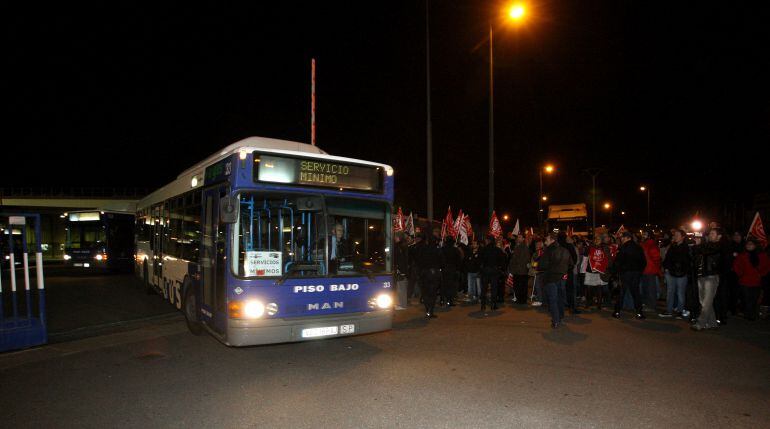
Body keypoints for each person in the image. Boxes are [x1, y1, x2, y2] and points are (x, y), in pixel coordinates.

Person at [691, 228, 723, 330]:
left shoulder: (719, 245)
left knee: (707, 302)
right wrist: (697, 244)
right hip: (701, 275)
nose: (710, 235)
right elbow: (695, 254)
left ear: (719, 236)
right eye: (709, 234)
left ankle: (700, 324)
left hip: (711, 276)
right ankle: (713, 323)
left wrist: (699, 244)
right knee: (704, 301)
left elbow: (707, 251)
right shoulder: (705, 245)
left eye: (713, 234)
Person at [612, 231, 647, 319]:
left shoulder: (624, 247)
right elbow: (643, 261)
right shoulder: (638, 247)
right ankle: (639, 313)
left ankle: (617, 312)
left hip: (625, 273)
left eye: (623, 238)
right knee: (635, 292)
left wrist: (615, 271)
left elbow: (618, 261)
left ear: (628, 238)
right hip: (636, 273)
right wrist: (639, 271)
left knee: (622, 292)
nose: (621, 239)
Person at [733, 239, 770, 321]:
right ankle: (748, 314)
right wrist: (741, 274)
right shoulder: (742, 255)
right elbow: (736, 266)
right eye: (747, 244)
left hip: (756, 281)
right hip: (744, 281)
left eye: (751, 244)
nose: (749, 246)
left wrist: (761, 274)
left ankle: (751, 313)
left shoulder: (761, 255)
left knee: (754, 298)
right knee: (746, 298)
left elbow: (767, 266)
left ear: (755, 245)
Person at [539, 233, 571, 328]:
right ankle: (560, 316)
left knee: (553, 299)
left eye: (546, 240)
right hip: (561, 278)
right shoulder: (564, 250)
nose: (545, 242)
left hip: (551, 278)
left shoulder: (548, 251)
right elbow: (571, 263)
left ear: (552, 240)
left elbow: (542, 265)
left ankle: (556, 320)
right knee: (560, 298)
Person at [660, 229, 690, 319]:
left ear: (683, 237)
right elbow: (667, 258)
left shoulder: (686, 247)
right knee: (670, 292)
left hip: (681, 273)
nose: (675, 237)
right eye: (675, 235)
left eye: (677, 235)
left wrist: (683, 270)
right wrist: (666, 267)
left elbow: (685, 261)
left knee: (680, 293)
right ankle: (669, 310)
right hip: (670, 272)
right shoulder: (672, 246)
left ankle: (680, 311)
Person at [415, 232, 442, 319]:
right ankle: (431, 310)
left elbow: (418, 260)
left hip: (424, 273)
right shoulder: (437, 250)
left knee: (426, 292)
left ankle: (427, 309)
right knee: (433, 293)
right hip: (433, 273)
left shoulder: (423, 249)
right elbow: (441, 261)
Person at [479, 235, 506, 311]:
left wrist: (481, 269)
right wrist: (501, 269)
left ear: (488, 241)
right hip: (494, 271)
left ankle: (483, 305)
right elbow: (502, 261)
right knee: (494, 288)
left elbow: (480, 261)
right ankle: (493, 304)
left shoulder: (483, 250)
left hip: (485, 271)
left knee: (484, 288)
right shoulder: (497, 250)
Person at [585, 236, 610, 311]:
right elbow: (586, 256)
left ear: (601, 240)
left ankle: (599, 304)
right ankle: (588, 302)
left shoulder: (604, 247)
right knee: (589, 288)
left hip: (599, 270)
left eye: (598, 239)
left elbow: (607, 258)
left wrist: (606, 267)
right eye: (595, 239)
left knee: (599, 288)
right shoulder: (590, 247)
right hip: (590, 269)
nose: (597, 240)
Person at [640, 229, 661, 312]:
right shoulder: (644, 243)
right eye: (643, 234)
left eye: (645, 234)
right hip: (645, 269)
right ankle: (647, 303)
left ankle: (651, 305)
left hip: (650, 269)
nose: (643, 235)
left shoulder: (651, 244)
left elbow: (656, 257)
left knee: (650, 289)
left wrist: (652, 265)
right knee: (645, 288)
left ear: (649, 235)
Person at [507, 234, 531, 305]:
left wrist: (515, 265)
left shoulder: (524, 247)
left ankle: (522, 300)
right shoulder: (517, 246)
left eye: (520, 237)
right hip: (517, 270)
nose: (518, 238)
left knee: (521, 286)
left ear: (523, 239)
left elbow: (525, 259)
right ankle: (520, 299)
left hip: (521, 270)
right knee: (518, 286)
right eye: (518, 237)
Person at [440, 236, 462, 307]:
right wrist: (458, 269)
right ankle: (449, 300)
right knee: (451, 285)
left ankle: (442, 299)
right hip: (452, 269)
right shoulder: (455, 250)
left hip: (444, 269)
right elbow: (459, 260)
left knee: (443, 284)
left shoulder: (442, 249)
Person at [393, 232, 410, 310]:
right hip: (402, 269)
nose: (394, 238)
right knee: (400, 287)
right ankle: (401, 303)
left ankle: (402, 305)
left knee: (401, 287)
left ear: (399, 237)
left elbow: (402, 260)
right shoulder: (402, 245)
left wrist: (401, 270)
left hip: (401, 270)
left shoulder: (401, 246)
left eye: (395, 237)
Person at [529, 239, 545, 306]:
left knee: (538, 285)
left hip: (539, 271)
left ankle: (540, 300)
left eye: (538, 244)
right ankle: (537, 296)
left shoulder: (539, 252)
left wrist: (534, 267)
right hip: (540, 271)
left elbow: (536, 261)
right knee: (537, 285)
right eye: (536, 245)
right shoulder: (540, 251)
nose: (536, 246)